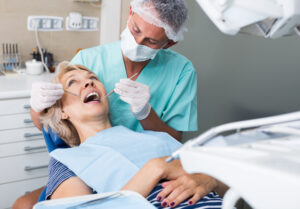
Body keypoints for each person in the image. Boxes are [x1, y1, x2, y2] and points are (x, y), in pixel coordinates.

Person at [39, 63, 227, 208]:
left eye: (93, 78)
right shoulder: (67, 160)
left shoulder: (157, 137)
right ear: (62, 111)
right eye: (73, 82)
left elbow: (231, 184)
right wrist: (155, 169)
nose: (89, 82)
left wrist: (208, 179)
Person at [29, 0, 197, 141]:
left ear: (169, 44)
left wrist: (145, 113)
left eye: (151, 41)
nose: (137, 42)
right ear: (130, 12)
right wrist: (37, 107)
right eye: (136, 30)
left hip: (147, 161)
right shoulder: (88, 60)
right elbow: (49, 123)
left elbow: (173, 140)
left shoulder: (182, 71)